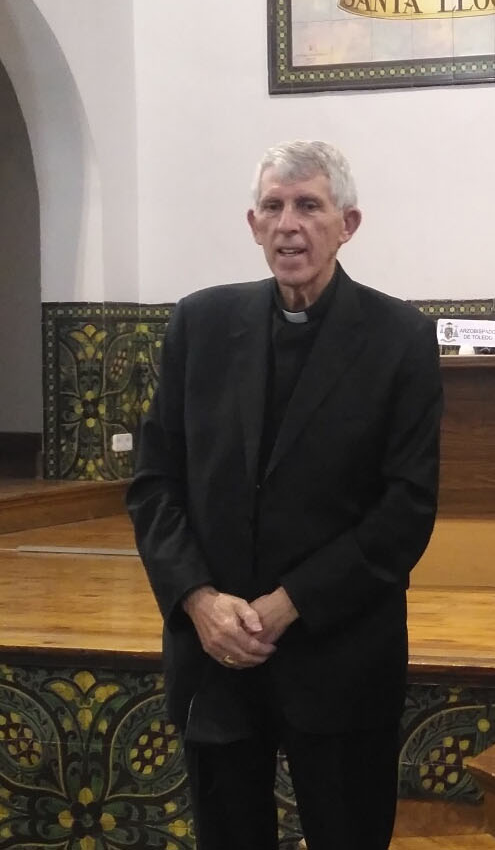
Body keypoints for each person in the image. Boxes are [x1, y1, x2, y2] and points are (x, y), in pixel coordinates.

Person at [127, 140, 443, 849]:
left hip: (339, 657)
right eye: (273, 207)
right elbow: (155, 483)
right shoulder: (199, 325)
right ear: (252, 223)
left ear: (348, 224)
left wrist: (288, 603)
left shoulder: (400, 338)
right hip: (215, 654)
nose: (289, 224)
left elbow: (406, 510)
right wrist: (199, 601)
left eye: (309, 206)